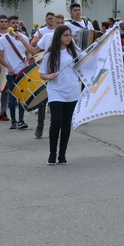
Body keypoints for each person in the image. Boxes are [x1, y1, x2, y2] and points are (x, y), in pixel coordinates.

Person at [38, 25, 81, 165]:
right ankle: (52, 153)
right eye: (66, 35)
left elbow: (90, 57)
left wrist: (99, 42)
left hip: (72, 91)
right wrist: (48, 76)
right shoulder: (50, 54)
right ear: (59, 37)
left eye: (70, 35)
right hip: (56, 92)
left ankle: (62, 154)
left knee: (66, 123)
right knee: (56, 121)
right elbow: (41, 74)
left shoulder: (75, 52)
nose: (69, 37)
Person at [0, 16, 30, 130]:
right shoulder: (2, 40)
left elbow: (28, 52)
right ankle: (13, 120)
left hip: (22, 70)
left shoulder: (23, 38)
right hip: (11, 72)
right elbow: (0, 58)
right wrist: (9, 67)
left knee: (21, 96)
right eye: (13, 23)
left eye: (16, 23)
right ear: (8, 25)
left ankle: (21, 120)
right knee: (12, 96)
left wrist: (30, 58)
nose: (15, 25)